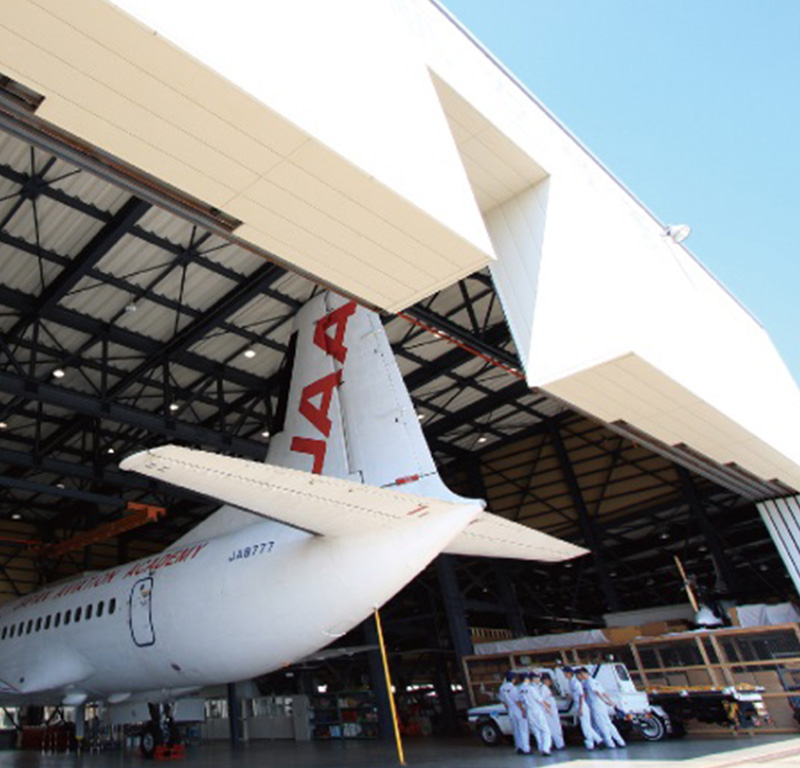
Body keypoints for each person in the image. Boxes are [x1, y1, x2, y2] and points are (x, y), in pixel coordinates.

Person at [577, 667, 626, 748]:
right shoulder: (594, 681)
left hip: (596, 705)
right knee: (608, 723)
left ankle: (610, 743)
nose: (581, 676)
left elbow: (597, 692)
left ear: (587, 673)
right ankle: (620, 741)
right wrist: (610, 701)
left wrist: (606, 701)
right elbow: (604, 692)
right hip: (601, 705)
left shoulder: (589, 682)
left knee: (602, 724)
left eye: (582, 674)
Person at [563, 666, 602, 750]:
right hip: (579, 705)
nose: (564, 675)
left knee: (585, 726)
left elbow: (581, 696)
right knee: (586, 725)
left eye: (565, 673)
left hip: (582, 705)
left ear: (569, 673)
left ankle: (596, 741)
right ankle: (595, 741)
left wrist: (580, 708)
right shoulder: (571, 682)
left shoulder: (575, 682)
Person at [519, 671, 552, 756]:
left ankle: (541, 748)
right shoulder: (531, 689)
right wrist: (547, 708)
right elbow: (539, 699)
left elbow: (521, 701)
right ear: (532, 679)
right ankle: (546, 749)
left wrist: (523, 710)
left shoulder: (521, 688)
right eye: (537, 677)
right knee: (545, 730)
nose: (538, 679)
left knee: (536, 731)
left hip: (529, 711)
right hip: (537, 711)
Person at [498, 671, 530, 754]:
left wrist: (508, 708)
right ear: (513, 679)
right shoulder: (514, 688)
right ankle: (525, 748)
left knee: (515, 729)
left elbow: (503, 701)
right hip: (517, 709)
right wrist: (523, 710)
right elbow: (517, 701)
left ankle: (518, 747)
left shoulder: (502, 688)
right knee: (523, 729)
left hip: (510, 710)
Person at [540, 672, 565, 750]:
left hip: (552, 711)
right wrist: (548, 707)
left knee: (556, 727)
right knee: (553, 728)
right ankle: (558, 745)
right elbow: (541, 700)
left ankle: (559, 744)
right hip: (549, 712)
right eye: (547, 680)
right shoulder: (543, 688)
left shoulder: (547, 688)